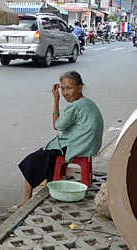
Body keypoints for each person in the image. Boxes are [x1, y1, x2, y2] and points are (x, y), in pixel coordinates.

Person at [15, 71, 104, 209]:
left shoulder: (75, 106)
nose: (65, 92)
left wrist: (56, 101)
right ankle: (48, 182)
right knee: (48, 156)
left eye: (69, 88)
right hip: (89, 145)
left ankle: (27, 199)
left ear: (79, 88)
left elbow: (57, 125)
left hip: (79, 145)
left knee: (32, 160)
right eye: (62, 88)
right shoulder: (87, 102)